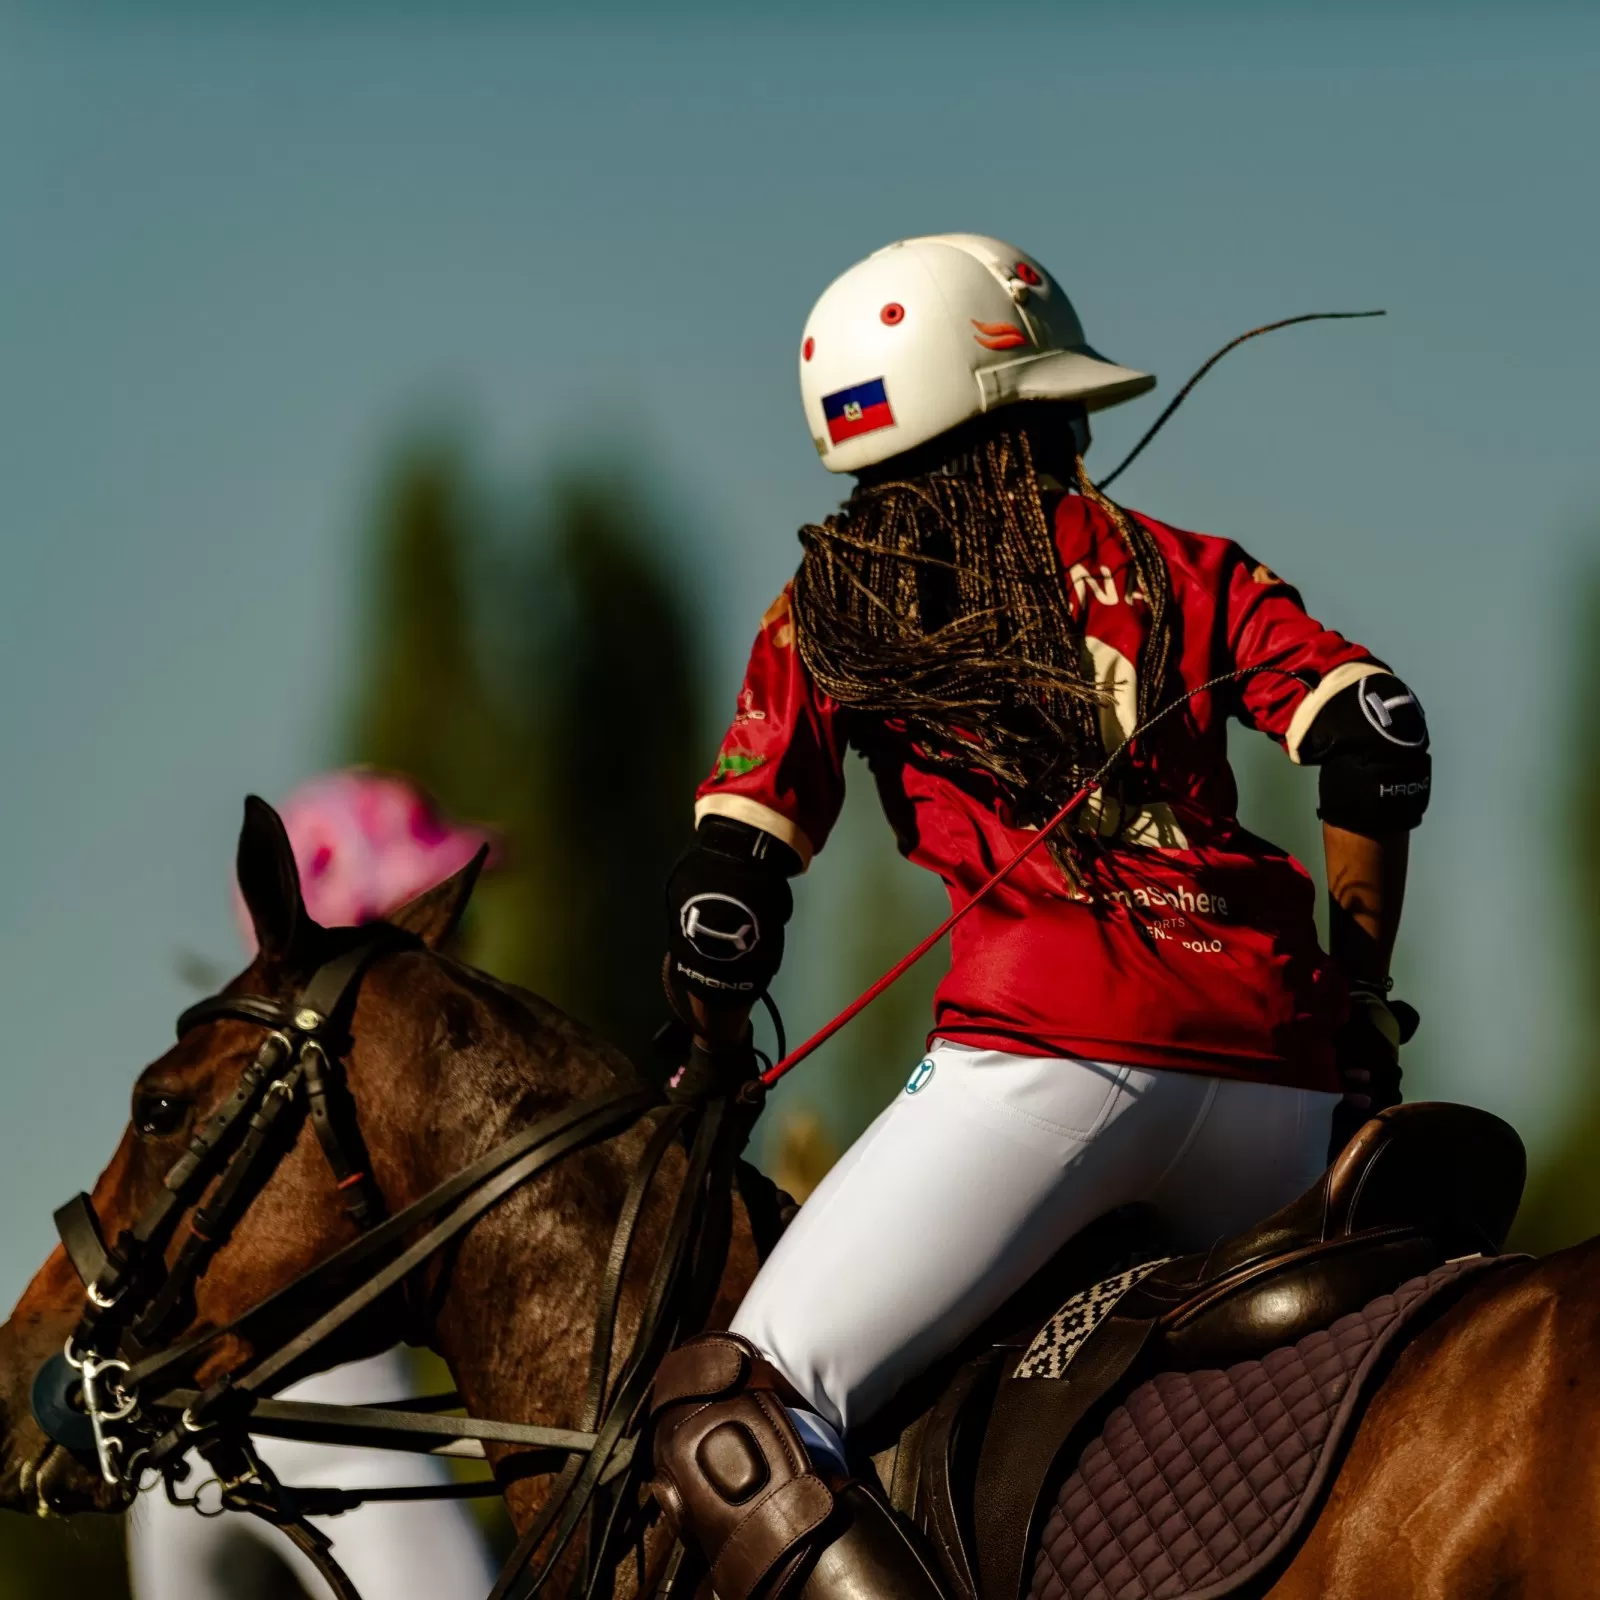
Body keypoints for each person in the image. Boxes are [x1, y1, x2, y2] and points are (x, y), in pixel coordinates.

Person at [648, 235, 1431, 1599]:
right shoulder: (1183, 563)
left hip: (1044, 1075)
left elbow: (726, 902)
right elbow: (1376, 732)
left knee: (734, 1416)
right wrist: (1357, 1002)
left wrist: (711, 1054)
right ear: (1038, 404)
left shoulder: (835, 604)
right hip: (1278, 1087)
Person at [129, 770, 498, 1600]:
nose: (465, 937)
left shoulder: (243, 1089)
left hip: (179, 1460)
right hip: (341, 1433)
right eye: (440, 917)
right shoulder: (393, 1080)